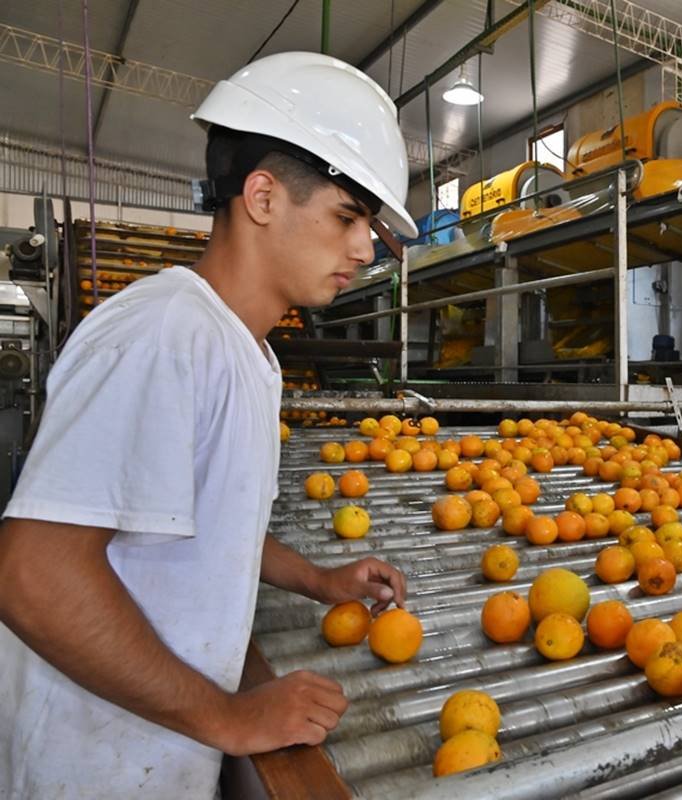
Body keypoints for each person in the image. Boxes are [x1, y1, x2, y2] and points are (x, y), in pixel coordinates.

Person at [0, 52, 420, 797]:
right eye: (348, 218)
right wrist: (229, 717)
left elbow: (204, 520)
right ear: (262, 197)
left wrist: (317, 579)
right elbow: (32, 574)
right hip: (92, 768)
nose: (364, 249)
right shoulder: (163, 334)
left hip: (159, 756)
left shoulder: (249, 352)